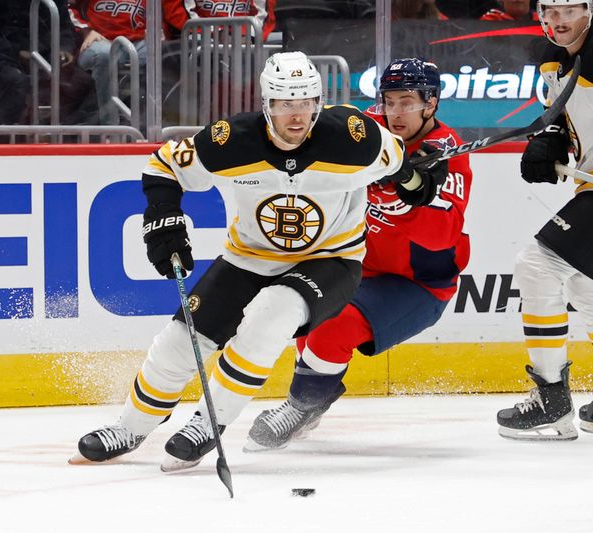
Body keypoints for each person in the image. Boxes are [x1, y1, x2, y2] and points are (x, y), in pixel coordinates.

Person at [71, 51, 449, 471]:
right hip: (248, 257)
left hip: (331, 260)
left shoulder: (354, 139)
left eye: (306, 103)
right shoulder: (231, 139)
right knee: (180, 343)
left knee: (271, 315)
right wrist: (162, 215)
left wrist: (418, 179)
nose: (297, 116)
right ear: (267, 104)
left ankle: (207, 423)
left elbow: (403, 167)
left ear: (318, 103)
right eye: (286, 104)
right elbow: (165, 165)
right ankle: (131, 427)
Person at [244, 58, 472, 451]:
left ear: (431, 104)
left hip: (416, 283)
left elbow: (439, 237)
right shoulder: (371, 127)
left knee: (334, 328)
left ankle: (301, 405)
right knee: (301, 306)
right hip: (357, 265)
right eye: (389, 101)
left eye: (407, 102)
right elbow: (321, 125)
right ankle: (316, 396)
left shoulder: (448, 156)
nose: (396, 112)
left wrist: (400, 198)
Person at [496, 0, 593, 441]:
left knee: (539, 265)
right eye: (550, 12)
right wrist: (549, 137)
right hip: (588, 187)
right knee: (582, 284)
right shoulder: (553, 61)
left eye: (570, 11)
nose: (559, 22)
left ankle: (551, 399)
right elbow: (562, 115)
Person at [0, 0, 95, 125]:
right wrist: (14, 52)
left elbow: (64, 24)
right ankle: (2, 140)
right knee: (16, 82)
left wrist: (64, 48)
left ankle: (67, 141)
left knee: (84, 83)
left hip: (43, 54)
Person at [163, 0, 276, 41]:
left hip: (244, 45)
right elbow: (176, 11)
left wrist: (249, 36)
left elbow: (264, 15)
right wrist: (214, 33)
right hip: (199, 42)